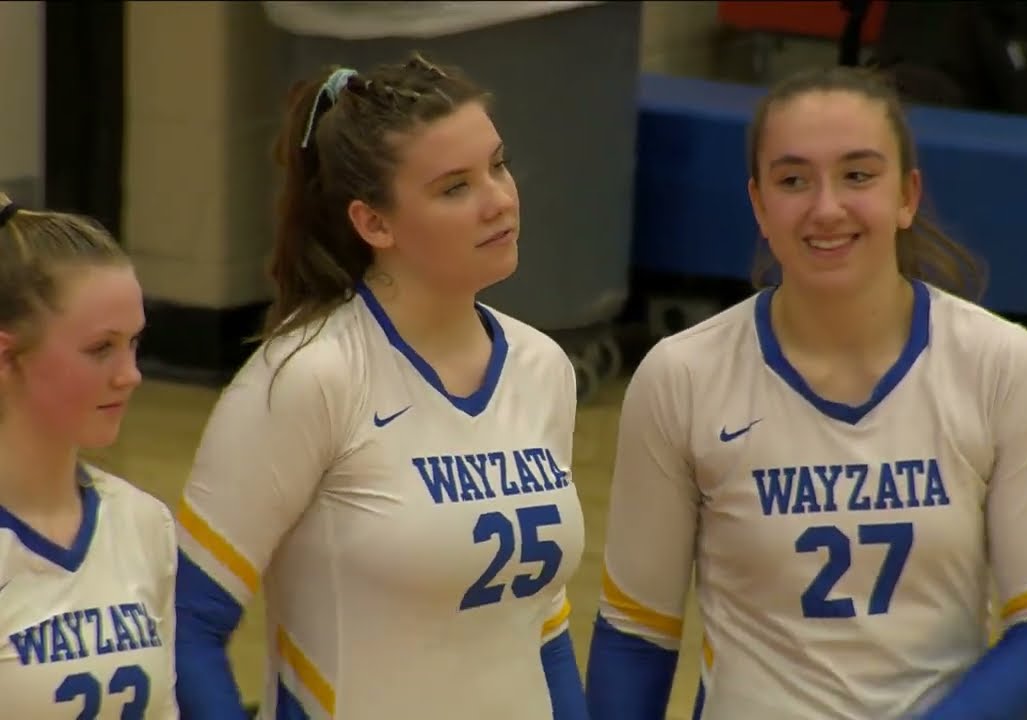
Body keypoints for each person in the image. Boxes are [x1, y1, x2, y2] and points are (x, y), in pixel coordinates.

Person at [585, 65, 1027, 720]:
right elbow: (636, 636)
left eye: (857, 175)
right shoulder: (683, 376)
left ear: (907, 195)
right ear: (761, 205)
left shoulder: (998, 364)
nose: (826, 207)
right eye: (793, 180)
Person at [172, 53, 588, 719]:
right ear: (375, 223)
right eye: (455, 187)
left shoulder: (542, 369)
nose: (500, 199)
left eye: (498, 164)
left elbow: (544, 629)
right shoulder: (308, 377)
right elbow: (185, 625)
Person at [0, 195, 178, 718]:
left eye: (134, 344)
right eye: (101, 349)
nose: (130, 374)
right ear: (7, 356)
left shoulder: (144, 523)